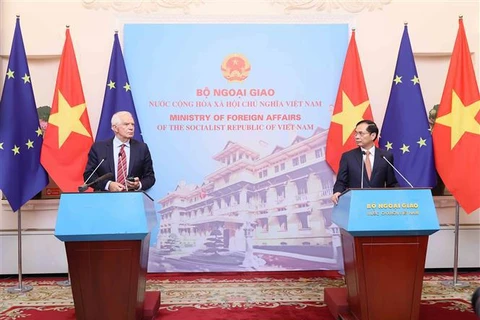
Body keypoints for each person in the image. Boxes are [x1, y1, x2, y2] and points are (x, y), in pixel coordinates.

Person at [83, 111, 155, 192]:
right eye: (126, 124)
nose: (131, 128)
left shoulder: (141, 148)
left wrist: (138, 185)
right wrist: (108, 185)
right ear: (115, 128)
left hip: (131, 199)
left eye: (132, 124)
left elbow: (150, 178)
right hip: (105, 199)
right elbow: (89, 175)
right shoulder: (99, 148)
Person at [331, 120, 398, 204]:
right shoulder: (348, 157)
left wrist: (399, 196)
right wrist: (337, 192)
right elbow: (341, 182)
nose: (357, 137)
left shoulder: (386, 156)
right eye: (356, 133)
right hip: (356, 204)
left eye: (361, 133)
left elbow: (391, 183)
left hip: (379, 205)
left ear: (373, 135)